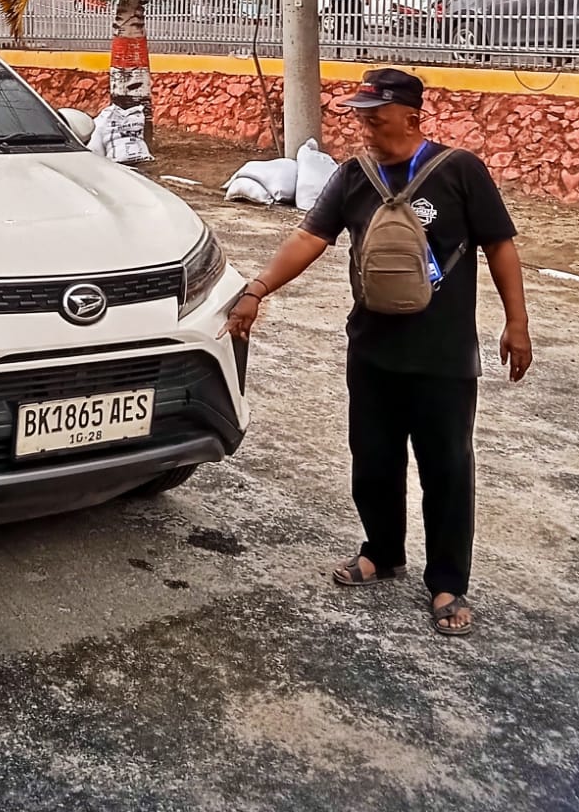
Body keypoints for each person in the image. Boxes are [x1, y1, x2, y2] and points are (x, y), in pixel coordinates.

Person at [223, 68, 532, 637]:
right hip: (371, 350)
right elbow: (308, 239)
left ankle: (446, 582)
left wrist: (517, 321)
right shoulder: (354, 176)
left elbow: (499, 246)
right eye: (360, 111)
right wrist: (258, 289)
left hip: (442, 357)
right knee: (373, 463)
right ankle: (383, 551)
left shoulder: (459, 170)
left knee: (446, 470)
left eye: (375, 111)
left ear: (412, 115)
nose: (363, 122)